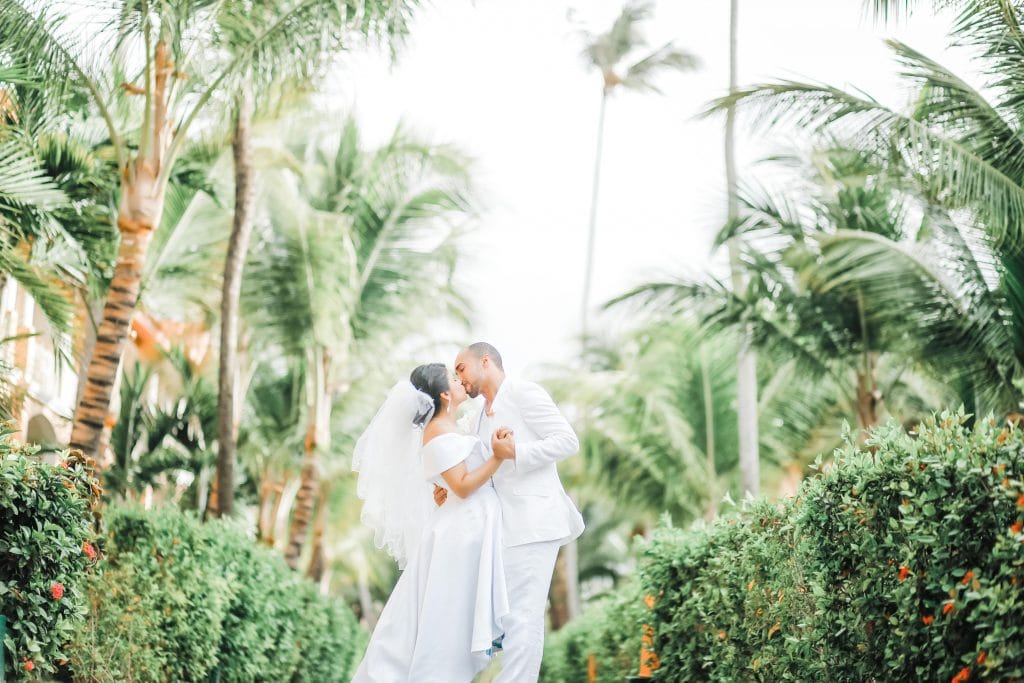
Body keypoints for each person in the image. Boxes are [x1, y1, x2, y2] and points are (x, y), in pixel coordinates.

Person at [350, 363, 513, 683]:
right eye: (454, 378)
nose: (460, 380)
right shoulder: (436, 432)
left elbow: (454, 483)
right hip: (459, 535)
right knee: (445, 621)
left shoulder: (448, 428)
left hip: (465, 528)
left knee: (446, 618)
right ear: (443, 393)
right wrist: (498, 456)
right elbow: (464, 486)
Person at [443, 342, 585, 683]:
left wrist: (515, 451)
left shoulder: (524, 393)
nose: (459, 378)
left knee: (524, 617)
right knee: (506, 620)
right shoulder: (476, 416)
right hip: (502, 530)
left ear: (486, 361)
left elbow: (567, 440)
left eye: (461, 368)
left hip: (535, 522)